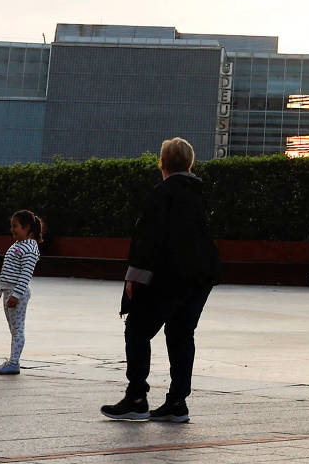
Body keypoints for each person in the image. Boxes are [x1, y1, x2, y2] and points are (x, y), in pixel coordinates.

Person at [102, 137, 220, 423]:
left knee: (138, 329)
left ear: (163, 163)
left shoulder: (162, 193)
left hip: (169, 275)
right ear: (190, 163)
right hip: (200, 276)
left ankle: (137, 397)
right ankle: (177, 403)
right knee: (181, 334)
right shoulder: (202, 193)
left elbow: (148, 238)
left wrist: (135, 277)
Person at [0, 209, 44, 375]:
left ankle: (14, 363)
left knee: (18, 329)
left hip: (16, 293)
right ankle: (13, 361)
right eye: (11, 226)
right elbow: (7, 272)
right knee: (13, 329)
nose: (12, 229)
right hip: (8, 291)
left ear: (27, 228)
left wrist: (16, 295)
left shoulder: (30, 248)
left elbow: (25, 275)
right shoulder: (17, 245)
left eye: (15, 226)